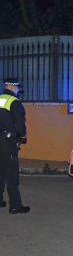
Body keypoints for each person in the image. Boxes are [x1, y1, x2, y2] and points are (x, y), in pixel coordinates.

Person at [0, 78, 30, 214]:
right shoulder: (14, 102)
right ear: (12, 87)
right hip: (7, 142)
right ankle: (15, 206)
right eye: (18, 88)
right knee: (11, 173)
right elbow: (19, 124)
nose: (18, 91)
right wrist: (23, 135)